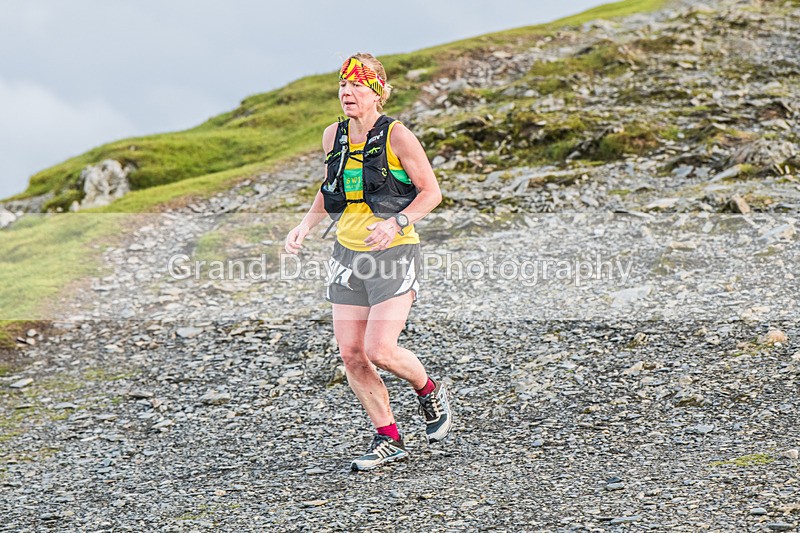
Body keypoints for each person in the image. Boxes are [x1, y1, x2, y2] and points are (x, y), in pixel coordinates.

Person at [284, 52, 452, 471]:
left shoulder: (398, 136)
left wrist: (397, 222)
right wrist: (305, 225)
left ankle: (428, 389)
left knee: (380, 349)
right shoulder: (332, 136)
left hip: (393, 253)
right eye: (343, 85)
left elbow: (431, 193)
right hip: (347, 255)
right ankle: (388, 437)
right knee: (352, 354)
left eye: (357, 86)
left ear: (377, 93)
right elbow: (331, 188)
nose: (347, 93)